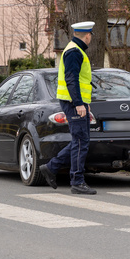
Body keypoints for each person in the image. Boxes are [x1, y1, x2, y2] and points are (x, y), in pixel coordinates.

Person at [40, 21, 97, 195]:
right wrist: (78, 103)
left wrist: (84, 104)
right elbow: (71, 79)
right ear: (87, 35)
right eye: (91, 36)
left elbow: (80, 81)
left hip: (76, 103)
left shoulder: (75, 50)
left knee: (80, 141)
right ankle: (77, 181)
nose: (91, 38)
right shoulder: (74, 52)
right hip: (72, 103)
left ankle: (51, 167)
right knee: (81, 141)